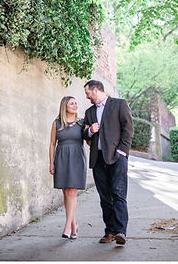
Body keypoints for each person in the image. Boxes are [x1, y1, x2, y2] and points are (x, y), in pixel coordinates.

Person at [82, 80, 134, 245]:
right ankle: (109, 231)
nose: (87, 97)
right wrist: (90, 131)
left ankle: (120, 231)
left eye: (88, 93)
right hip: (97, 159)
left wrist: (121, 152)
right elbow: (84, 134)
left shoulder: (119, 104)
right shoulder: (89, 112)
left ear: (95, 90)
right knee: (105, 197)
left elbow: (128, 129)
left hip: (117, 158)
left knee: (118, 194)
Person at [49, 96, 87, 239]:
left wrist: (91, 131)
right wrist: (51, 163)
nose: (75, 105)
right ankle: (74, 224)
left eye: (76, 103)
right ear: (64, 106)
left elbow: (89, 139)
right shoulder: (56, 123)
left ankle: (67, 228)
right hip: (62, 158)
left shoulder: (82, 123)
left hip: (77, 158)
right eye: (72, 103)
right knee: (65, 192)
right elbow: (52, 144)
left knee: (72, 192)